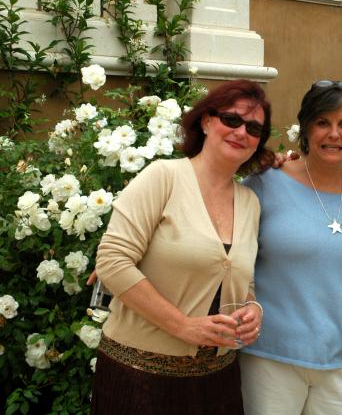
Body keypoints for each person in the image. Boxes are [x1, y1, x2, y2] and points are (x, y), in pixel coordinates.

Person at [92, 80, 272, 414]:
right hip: (140, 379)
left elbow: (241, 281)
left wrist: (253, 310)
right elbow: (112, 260)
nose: (241, 132)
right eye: (231, 120)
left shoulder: (249, 202)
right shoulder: (163, 177)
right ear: (206, 121)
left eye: (254, 128)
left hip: (217, 383)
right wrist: (183, 326)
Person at [239, 80, 342, 415]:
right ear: (306, 128)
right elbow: (230, 257)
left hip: (341, 365)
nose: (334, 134)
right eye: (323, 122)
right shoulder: (264, 183)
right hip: (268, 358)